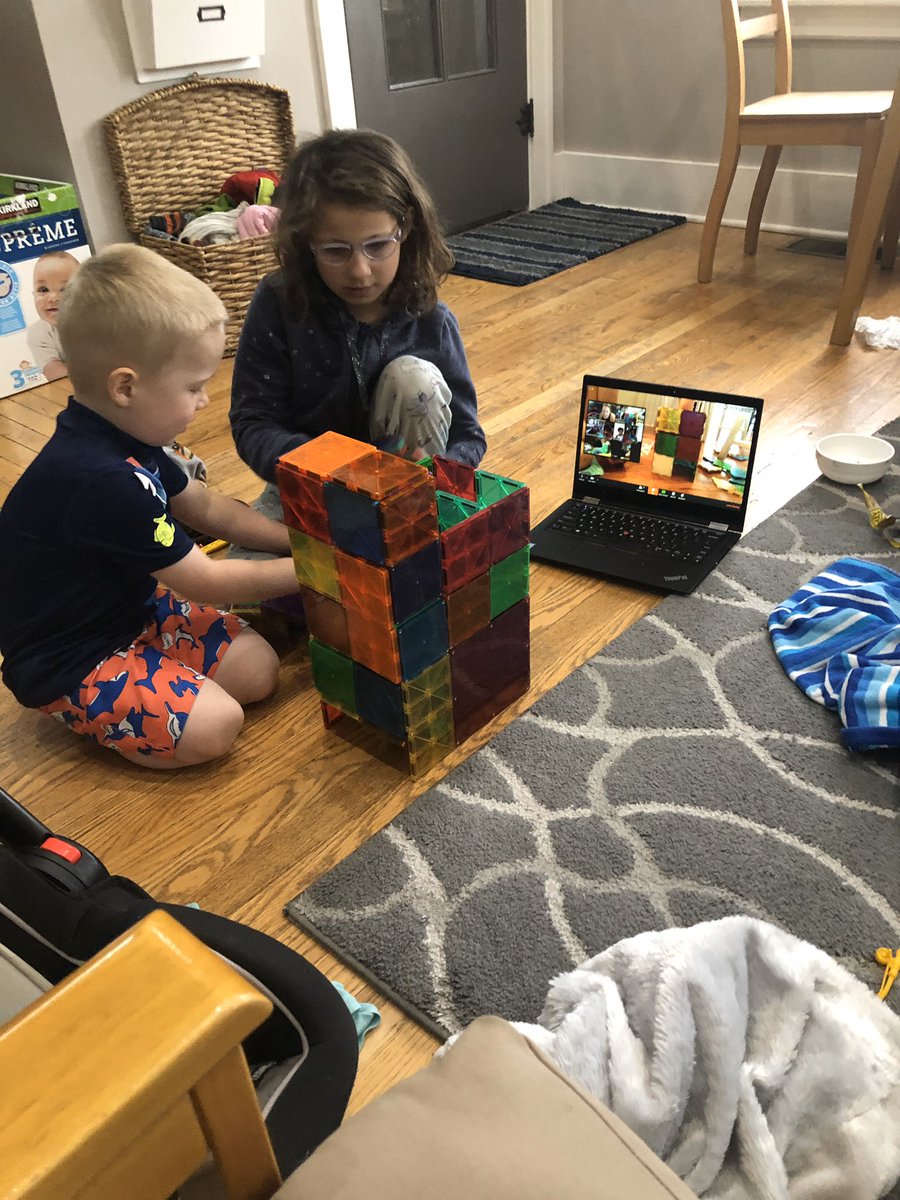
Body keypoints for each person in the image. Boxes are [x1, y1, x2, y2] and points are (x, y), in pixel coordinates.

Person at [0, 244, 301, 770]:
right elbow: (205, 580)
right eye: (193, 386)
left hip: (133, 611)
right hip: (71, 657)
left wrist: (302, 542)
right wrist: (321, 569)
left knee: (259, 671)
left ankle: (157, 679)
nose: (205, 400)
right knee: (217, 725)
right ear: (125, 387)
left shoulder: (127, 435)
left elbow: (209, 510)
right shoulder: (101, 479)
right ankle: (84, 708)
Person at [230, 128, 486, 520]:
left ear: (407, 229)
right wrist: (336, 471)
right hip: (312, 489)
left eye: (378, 245)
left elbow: (469, 436)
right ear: (305, 242)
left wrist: (437, 476)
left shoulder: (431, 319)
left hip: (410, 500)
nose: (360, 271)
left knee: (413, 378)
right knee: (252, 576)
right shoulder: (279, 305)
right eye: (335, 250)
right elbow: (254, 422)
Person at [26, 250, 81, 381]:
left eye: (64, 289)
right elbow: (52, 370)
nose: (53, 298)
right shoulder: (39, 332)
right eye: (43, 290)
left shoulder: (96, 319)